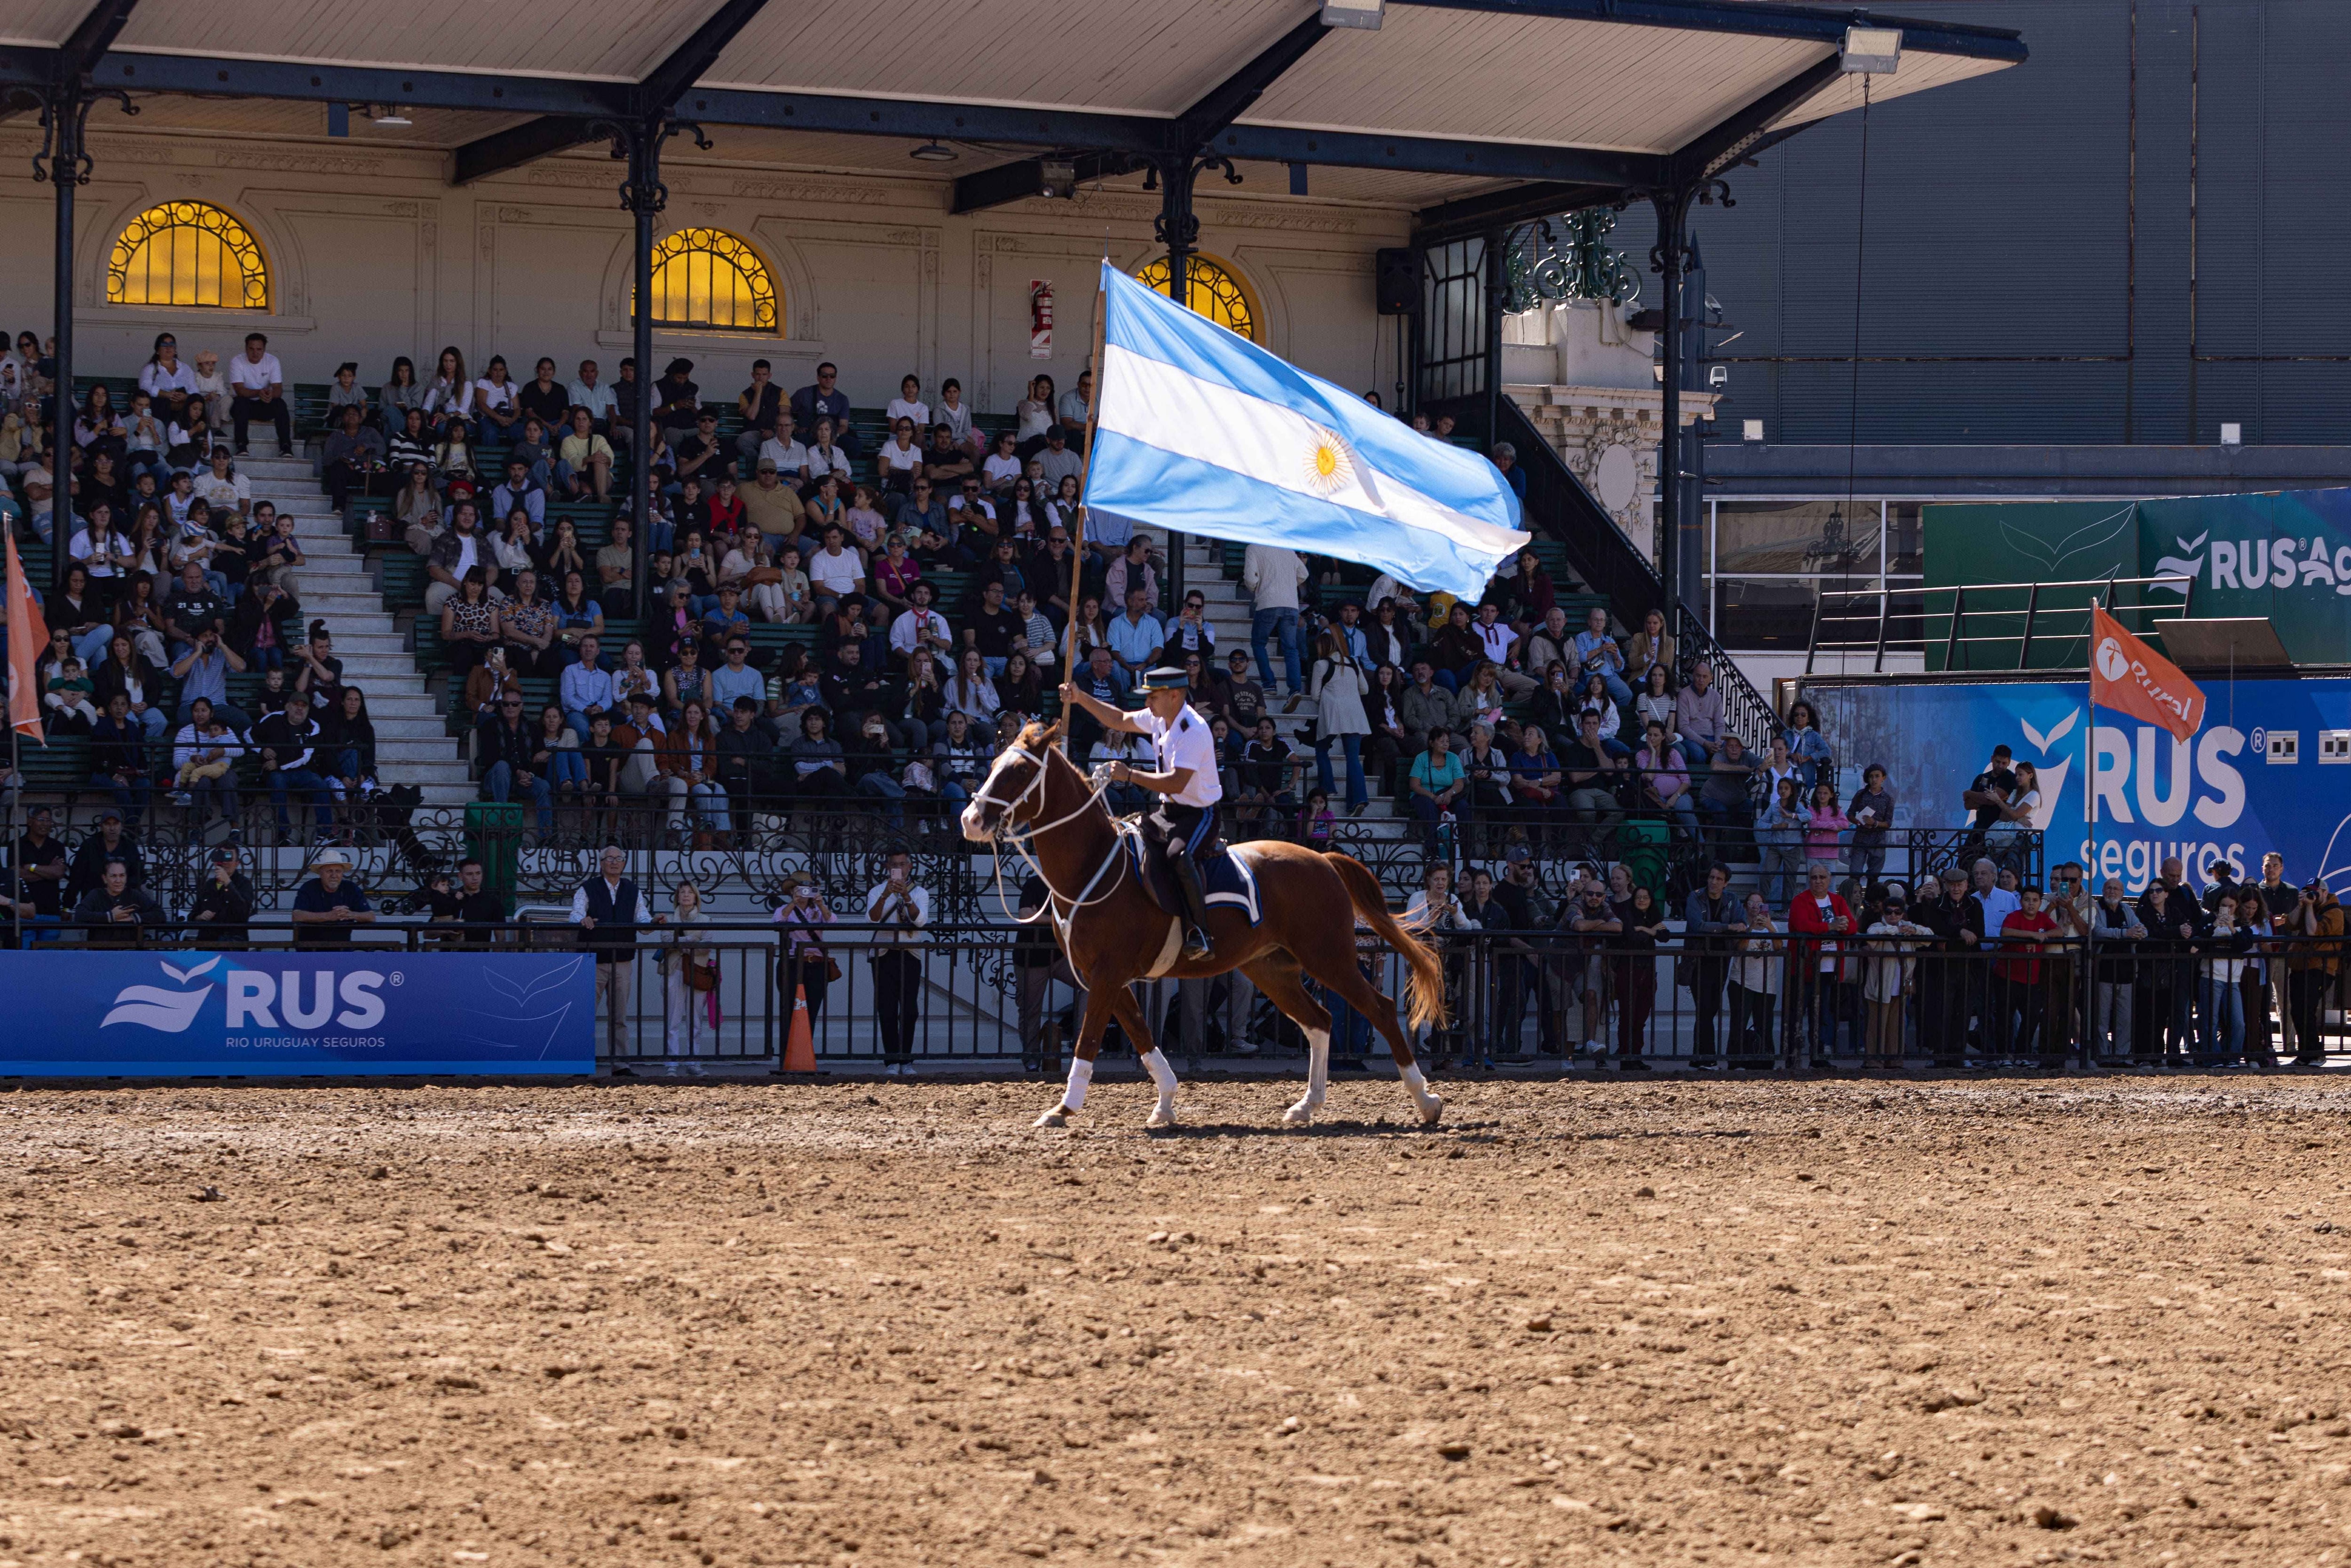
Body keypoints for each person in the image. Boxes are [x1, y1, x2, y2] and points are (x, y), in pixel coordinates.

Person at [1058, 664, 1223, 961]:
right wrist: (1080, 698)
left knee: (1178, 857)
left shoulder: (1194, 729)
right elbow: (1119, 719)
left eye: (1152, 697)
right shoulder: (1161, 717)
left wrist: (1129, 774)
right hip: (1168, 811)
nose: (1146, 703)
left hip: (1200, 815)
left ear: (1174, 696)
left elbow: (1176, 782)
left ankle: (1201, 933)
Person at [572, 846, 649, 1055]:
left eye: (619, 858)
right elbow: (576, 913)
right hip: (593, 961)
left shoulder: (633, 890)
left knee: (619, 1018)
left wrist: (653, 923)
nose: (615, 862)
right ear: (602, 863)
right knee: (586, 1015)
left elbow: (643, 920)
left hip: (622, 961)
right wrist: (582, 919)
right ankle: (581, 1061)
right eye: (610, 858)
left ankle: (621, 1065)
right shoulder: (588, 888)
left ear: (624, 863)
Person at [866, 848, 931, 1077]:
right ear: (887, 868)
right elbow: (872, 919)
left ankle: (906, 1059)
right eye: (894, 864)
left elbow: (920, 921)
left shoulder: (920, 892)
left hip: (910, 954)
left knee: (910, 1009)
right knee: (887, 1009)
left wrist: (906, 896)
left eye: (903, 864)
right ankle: (892, 1060)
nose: (899, 869)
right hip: (884, 953)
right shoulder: (876, 891)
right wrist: (885, 895)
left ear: (910, 867)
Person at [1787, 863, 1855, 1067]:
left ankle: (1818, 1056)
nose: (1818, 881)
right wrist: (1830, 926)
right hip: (1805, 966)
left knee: (1823, 1013)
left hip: (1829, 968)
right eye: (1814, 877)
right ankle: (1793, 1055)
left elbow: (1852, 926)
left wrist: (1840, 926)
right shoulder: (1800, 901)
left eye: (1822, 877)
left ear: (1829, 880)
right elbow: (1801, 925)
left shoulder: (1838, 900)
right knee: (1798, 1013)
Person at [1860, 889, 1931, 1068]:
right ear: (1883, 913)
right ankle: (1874, 1059)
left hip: (1901, 985)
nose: (1893, 915)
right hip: (1879, 985)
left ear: (1903, 913)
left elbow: (1929, 935)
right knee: (1877, 1023)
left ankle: (1895, 1058)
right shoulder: (1877, 927)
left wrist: (1913, 930)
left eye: (1897, 912)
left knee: (1897, 1024)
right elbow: (1872, 935)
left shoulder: (1909, 928)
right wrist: (1896, 930)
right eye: (1889, 912)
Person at [2287, 877, 2345, 1064]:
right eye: (2308, 892)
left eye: (2315, 892)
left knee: (2307, 1009)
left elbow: (2313, 931)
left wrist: (2310, 907)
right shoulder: (2307, 907)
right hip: (2300, 966)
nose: (2312, 895)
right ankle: (2305, 1054)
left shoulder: (2335, 912)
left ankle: (2315, 1052)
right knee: (2297, 1010)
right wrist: (2301, 904)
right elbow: (2291, 923)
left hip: (2321, 968)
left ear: (2325, 893)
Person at [1242, 543, 1308, 696]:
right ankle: (1295, 689)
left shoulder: (1253, 548)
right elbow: (1304, 574)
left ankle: (1269, 684)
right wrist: (1289, 585)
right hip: (1291, 605)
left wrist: (1256, 588)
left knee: (1259, 644)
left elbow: (1251, 579)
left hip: (1268, 602)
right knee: (1291, 649)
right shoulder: (1288, 548)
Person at [290, 849, 375, 946]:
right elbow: (297, 916)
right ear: (321, 874)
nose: (334, 876)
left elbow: (371, 916)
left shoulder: (351, 888)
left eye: (338, 871)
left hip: (342, 949)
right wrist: (329, 916)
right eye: (329, 871)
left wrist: (350, 915)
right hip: (310, 950)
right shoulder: (309, 888)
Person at [71, 859, 165, 945]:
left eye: (122, 876)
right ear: (105, 878)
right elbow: (80, 914)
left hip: (129, 952)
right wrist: (110, 917)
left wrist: (134, 918)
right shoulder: (96, 895)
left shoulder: (133, 894)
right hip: (101, 953)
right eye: (113, 876)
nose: (118, 880)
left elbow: (160, 914)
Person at [227, 332, 291, 456]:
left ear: (264, 350)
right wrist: (259, 393)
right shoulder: (237, 361)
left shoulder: (272, 361)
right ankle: (241, 445)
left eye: (259, 349)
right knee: (241, 402)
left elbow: (278, 388)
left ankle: (286, 446)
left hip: (263, 404)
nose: (255, 353)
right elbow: (240, 390)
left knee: (280, 404)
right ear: (246, 349)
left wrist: (271, 395)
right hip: (243, 406)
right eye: (251, 349)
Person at [187, 845, 255, 941]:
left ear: (237, 864)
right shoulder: (209, 885)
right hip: (207, 943)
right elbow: (192, 916)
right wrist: (200, 917)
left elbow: (243, 912)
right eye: (221, 857)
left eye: (229, 857)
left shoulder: (244, 884)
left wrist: (228, 883)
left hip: (232, 944)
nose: (225, 862)